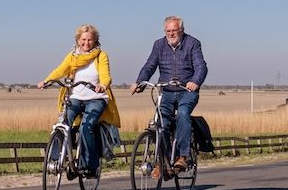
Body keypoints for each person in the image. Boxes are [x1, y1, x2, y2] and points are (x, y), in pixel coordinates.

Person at [38, 24, 121, 177]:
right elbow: (61, 69)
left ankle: (90, 165)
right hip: (75, 97)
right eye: (83, 39)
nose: (86, 43)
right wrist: (47, 80)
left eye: (90, 40)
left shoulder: (101, 56)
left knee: (86, 128)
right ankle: (56, 160)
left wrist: (103, 85)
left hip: (96, 99)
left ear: (95, 41)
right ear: (78, 40)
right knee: (62, 124)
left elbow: (106, 75)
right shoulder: (72, 56)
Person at [131, 16, 208, 171]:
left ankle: (183, 156)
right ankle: (163, 161)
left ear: (182, 30)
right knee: (161, 122)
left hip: (186, 91)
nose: (171, 34)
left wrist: (195, 82)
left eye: (174, 30)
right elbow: (149, 66)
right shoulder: (159, 45)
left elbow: (201, 66)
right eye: (168, 31)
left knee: (183, 114)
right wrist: (140, 82)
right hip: (166, 91)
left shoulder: (192, 43)